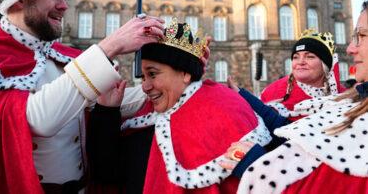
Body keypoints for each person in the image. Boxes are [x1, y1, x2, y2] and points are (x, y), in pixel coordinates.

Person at [0, 0, 166, 193]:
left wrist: (172, 80)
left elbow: (110, 102)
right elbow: (36, 120)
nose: (64, 6)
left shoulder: (63, 56)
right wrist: (111, 45)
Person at [86, 19, 272, 193]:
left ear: (185, 73)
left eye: (152, 74)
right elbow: (108, 173)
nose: (145, 86)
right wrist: (106, 111)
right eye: (142, 77)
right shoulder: (145, 116)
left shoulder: (223, 109)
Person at [233, 1, 368, 193]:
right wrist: (242, 95)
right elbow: (289, 132)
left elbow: (330, 181)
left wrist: (260, 169)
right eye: (296, 57)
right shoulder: (275, 92)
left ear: (325, 66)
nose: (350, 48)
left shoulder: (347, 99)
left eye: (362, 36)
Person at [259, 28, 345, 122]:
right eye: (296, 57)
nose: (300, 62)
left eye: (310, 57)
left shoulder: (345, 96)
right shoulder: (271, 92)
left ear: (325, 64)